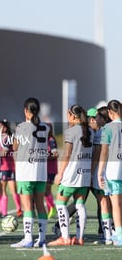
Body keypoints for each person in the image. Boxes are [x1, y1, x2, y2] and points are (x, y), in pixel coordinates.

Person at [48, 104, 93, 246]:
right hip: (85, 174)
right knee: (80, 205)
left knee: (60, 204)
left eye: (68, 115)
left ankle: (65, 237)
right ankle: (79, 238)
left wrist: (60, 173)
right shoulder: (90, 131)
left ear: (73, 116)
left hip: (71, 173)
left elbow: (67, 154)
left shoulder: (71, 131)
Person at [11, 97, 49, 248]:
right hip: (41, 171)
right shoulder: (46, 127)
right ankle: (42, 239)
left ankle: (27, 239)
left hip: (26, 170)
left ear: (26, 111)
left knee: (27, 206)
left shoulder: (21, 127)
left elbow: (15, 146)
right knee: (40, 205)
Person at [98, 100, 122, 246]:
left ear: (110, 113)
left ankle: (119, 236)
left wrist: (100, 172)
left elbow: (104, 152)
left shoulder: (108, 128)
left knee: (116, 205)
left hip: (114, 171)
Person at [88, 106, 113, 245]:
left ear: (103, 118)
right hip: (114, 172)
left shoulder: (101, 133)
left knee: (103, 203)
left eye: (97, 116)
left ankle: (107, 234)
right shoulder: (115, 130)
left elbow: (97, 156)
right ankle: (112, 232)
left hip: (102, 172)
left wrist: (92, 173)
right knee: (113, 204)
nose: (95, 119)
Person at [0, 119, 22, 218]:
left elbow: (4, 152)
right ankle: (3, 211)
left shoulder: (6, 138)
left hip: (6, 167)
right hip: (2, 167)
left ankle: (15, 210)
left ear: (5, 128)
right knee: (2, 190)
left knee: (10, 190)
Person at [45, 122, 59, 219]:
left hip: (50, 169)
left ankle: (52, 208)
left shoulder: (51, 140)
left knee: (46, 190)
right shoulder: (44, 140)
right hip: (44, 169)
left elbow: (55, 154)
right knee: (45, 190)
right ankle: (51, 208)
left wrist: (45, 157)